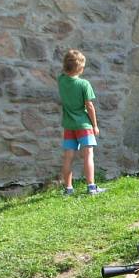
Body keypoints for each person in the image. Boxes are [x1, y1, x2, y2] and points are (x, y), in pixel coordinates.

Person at [58, 49, 104, 195]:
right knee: (88, 155)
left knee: (68, 157)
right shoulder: (84, 84)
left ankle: (68, 189)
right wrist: (95, 125)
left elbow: (64, 74)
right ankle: (91, 187)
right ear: (80, 68)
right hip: (84, 125)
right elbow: (89, 106)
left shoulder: (61, 80)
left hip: (69, 125)